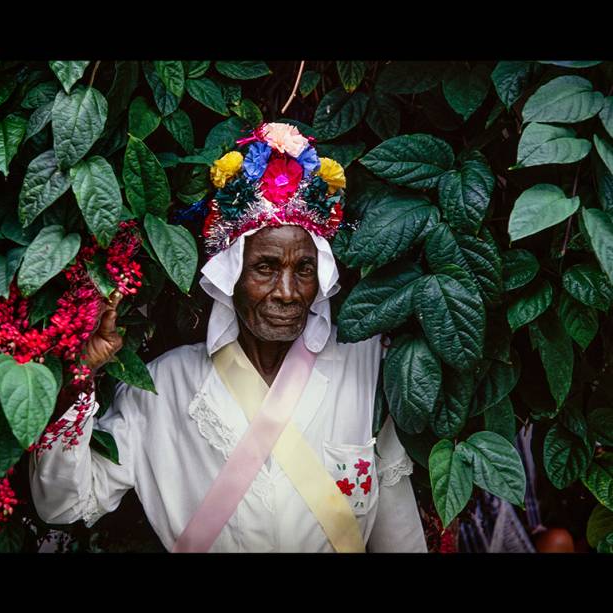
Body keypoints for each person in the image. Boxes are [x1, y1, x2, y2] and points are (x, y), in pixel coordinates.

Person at [29, 122, 428, 553]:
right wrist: (78, 380)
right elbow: (63, 505)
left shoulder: (366, 366)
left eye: (304, 270)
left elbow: (398, 529)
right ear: (230, 276)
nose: (288, 292)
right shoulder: (162, 387)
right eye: (265, 268)